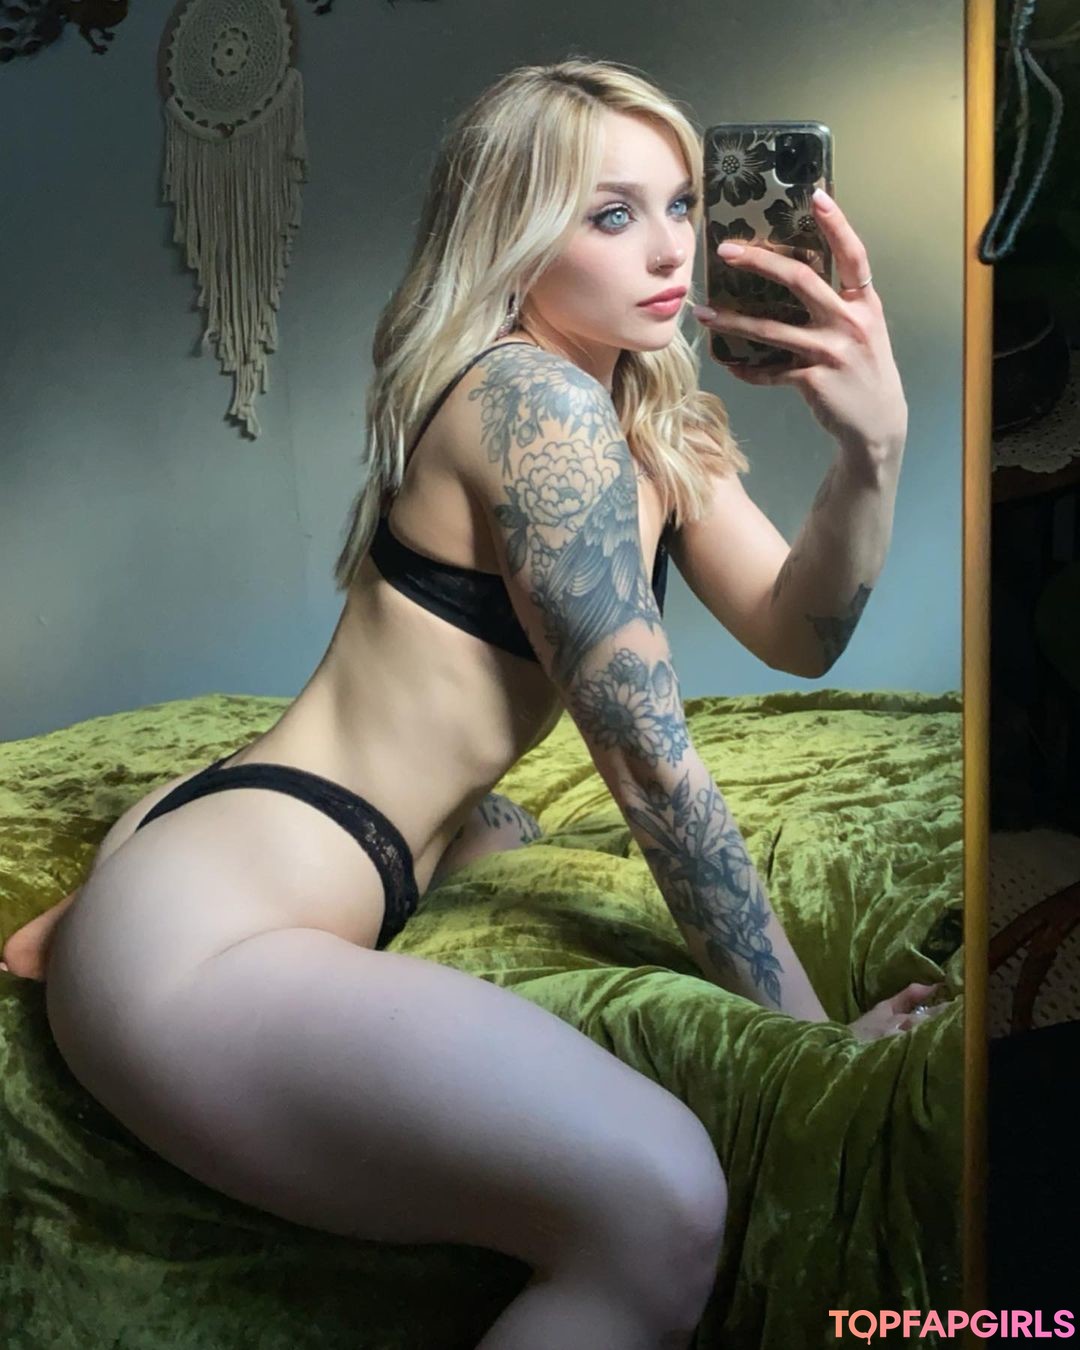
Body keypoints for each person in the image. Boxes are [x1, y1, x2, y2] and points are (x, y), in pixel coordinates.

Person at [2, 57, 948, 1350]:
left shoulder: (645, 409)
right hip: (206, 931)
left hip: (252, 843)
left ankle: (112, 908)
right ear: (512, 233)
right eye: (609, 213)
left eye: (680, 202)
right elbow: (652, 769)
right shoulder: (533, 402)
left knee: (501, 829)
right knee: (663, 1204)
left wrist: (871, 450)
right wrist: (812, 1036)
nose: (668, 247)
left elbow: (802, 631)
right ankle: (114, 927)